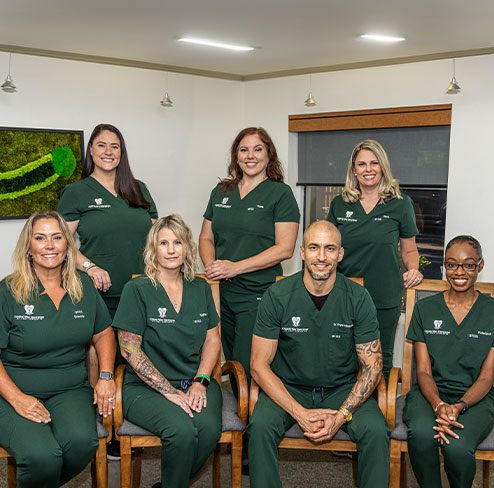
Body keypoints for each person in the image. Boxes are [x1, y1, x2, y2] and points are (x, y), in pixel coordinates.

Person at [248, 220, 390, 488]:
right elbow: (258, 365)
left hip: (341, 389)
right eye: (314, 248)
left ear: (340, 254)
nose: (322, 257)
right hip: (289, 388)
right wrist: (300, 412)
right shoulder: (276, 295)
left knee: (376, 430)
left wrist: (341, 416)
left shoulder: (358, 297)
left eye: (330, 248)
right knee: (260, 426)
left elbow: (373, 367)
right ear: (302, 252)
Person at [0, 210, 116, 488]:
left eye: (57, 238)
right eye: (40, 238)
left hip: (69, 389)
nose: (50, 246)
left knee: (82, 443)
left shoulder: (84, 287)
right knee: (42, 456)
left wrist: (106, 376)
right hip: (13, 390)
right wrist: (17, 399)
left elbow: (104, 334)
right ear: (28, 246)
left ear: (68, 245)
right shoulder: (8, 291)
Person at [114, 215, 222, 488]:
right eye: (164, 243)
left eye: (177, 242)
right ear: (153, 249)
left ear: (187, 247)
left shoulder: (201, 288)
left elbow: (212, 340)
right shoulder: (137, 289)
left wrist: (201, 382)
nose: (171, 249)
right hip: (144, 388)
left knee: (208, 430)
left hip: (195, 381)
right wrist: (168, 391)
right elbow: (130, 351)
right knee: (182, 431)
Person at [199, 126, 300, 385]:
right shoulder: (221, 191)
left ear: (269, 155)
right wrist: (212, 267)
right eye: (244, 150)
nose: (250, 155)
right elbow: (206, 237)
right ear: (236, 156)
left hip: (257, 294)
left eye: (258, 149)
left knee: (248, 366)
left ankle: (252, 420)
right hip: (219, 293)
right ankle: (236, 418)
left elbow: (284, 249)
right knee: (227, 363)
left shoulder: (280, 194)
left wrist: (235, 268)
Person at [403, 235, 494, 488]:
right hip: (430, 393)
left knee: (457, 445)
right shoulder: (425, 309)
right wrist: (439, 405)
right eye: (451, 264)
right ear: (444, 266)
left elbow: (487, 377)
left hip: (476, 397)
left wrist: (459, 406)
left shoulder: (491, 312)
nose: (459, 272)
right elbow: (422, 371)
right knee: (421, 434)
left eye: (469, 264)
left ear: (481, 266)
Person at [327, 139, 421, 380]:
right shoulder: (340, 204)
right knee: (342, 355)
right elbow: (328, 248)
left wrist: (413, 269)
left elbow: (409, 250)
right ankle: (345, 409)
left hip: (384, 294)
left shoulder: (400, 204)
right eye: (361, 164)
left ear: (383, 167)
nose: (368, 169)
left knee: (381, 357)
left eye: (374, 163)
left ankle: (379, 413)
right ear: (353, 169)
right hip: (344, 293)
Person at [57, 123, 158, 319]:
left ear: (122, 152)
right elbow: (61, 244)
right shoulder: (75, 192)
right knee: (105, 350)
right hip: (100, 293)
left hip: (144, 289)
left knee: (139, 350)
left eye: (115, 146)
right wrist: (90, 267)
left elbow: (159, 237)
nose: (108, 152)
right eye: (102, 145)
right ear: (91, 150)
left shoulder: (139, 188)